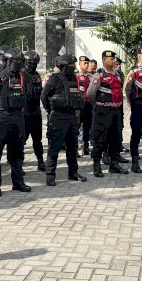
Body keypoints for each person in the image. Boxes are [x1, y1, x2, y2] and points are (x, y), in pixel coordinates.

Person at [0, 48, 31, 197]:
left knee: (18, 153)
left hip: (18, 119)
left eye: (20, 61)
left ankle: (18, 182)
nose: (17, 64)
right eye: (15, 61)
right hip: (1, 118)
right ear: (7, 61)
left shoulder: (24, 78)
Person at [41, 54, 87, 186]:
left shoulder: (74, 78)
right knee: (54, 147)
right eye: (71, 65)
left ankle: (73, 173)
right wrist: (51, 111)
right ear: (64, 66)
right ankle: (50, 175)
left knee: (72, 147)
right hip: (58, 117)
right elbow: (44, 96)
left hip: (71, 116)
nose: (74, 67)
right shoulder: (54, 78)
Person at [87, 50, 127, 176]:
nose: (114, 60)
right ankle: (97, 165)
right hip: (103, 112)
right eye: (111, 59)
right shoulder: (98, 75)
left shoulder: (118, 74)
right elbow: (90, 94)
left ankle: (114, 164)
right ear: (104, 60)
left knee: (115, 138)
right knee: (100, 139)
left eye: (114, 58)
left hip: (116, 112)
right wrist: (100, 104)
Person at [22, 50, 46, 172]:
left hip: (36, 111)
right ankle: (18, 164)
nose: (34, 65)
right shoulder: (21, 75)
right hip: (24, 112)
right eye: (31, 62)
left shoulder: (36, 75)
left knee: (38, 139)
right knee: (22, 139)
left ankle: (40, 161)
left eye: (36, 62)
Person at [76, 56, 93, 157]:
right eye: (84, 63)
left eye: (87, 63)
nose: (86, 65)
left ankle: (86, 147)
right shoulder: (75, 76)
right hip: (78, 105)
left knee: (87, 126)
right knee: (76, 127)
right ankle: (75, 148)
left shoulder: (91, 76)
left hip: (88, 104)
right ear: (79, 64)